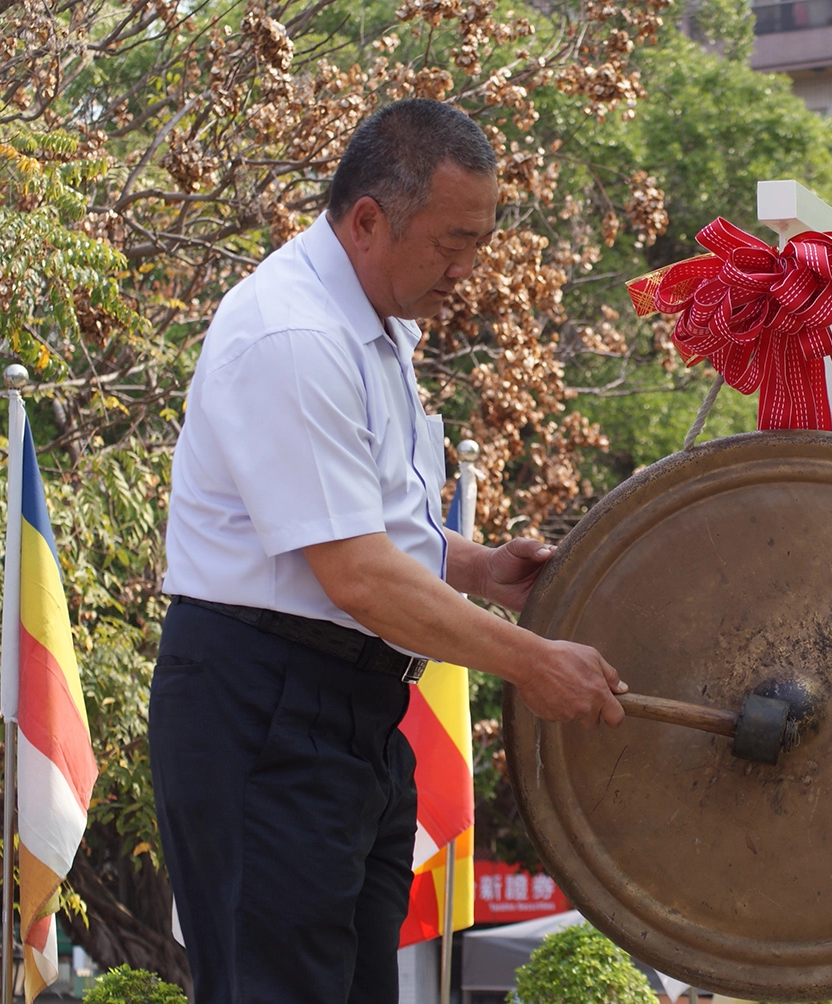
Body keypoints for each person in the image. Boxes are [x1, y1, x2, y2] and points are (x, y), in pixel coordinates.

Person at [148, 98, 627, 1004]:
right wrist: (531, 664)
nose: (468, 272)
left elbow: (373, 533)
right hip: (265, 707)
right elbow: (358, 576)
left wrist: (482, 570)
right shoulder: (295, 334)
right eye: (453, 243)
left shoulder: (377, 332)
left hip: (351, 711)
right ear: (367, 220)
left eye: (480, 244)